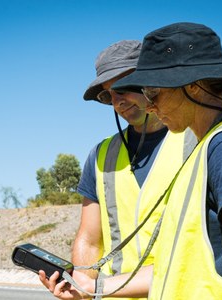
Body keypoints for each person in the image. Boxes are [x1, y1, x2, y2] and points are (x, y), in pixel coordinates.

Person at [41, 22, 222, 299]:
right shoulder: (204, 149)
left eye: (154, 93)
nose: (151, 105)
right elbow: (177, 263)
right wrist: (92, 287)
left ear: (193, 87)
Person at [60, 40, 197, 300]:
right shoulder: (101, 156)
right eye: (108, 95)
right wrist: (80, 285)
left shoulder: (200, 140)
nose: (117, 103)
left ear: (153, 80)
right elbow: (89, 239)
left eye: (123, 88)